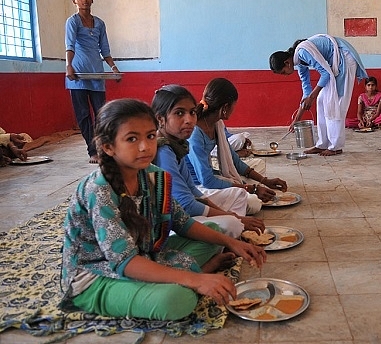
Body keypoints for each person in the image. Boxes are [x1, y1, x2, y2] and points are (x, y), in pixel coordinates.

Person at [60, 98, 266, 321]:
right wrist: (196, 280)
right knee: (176, 301)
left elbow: (183, 222)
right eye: (131, 139)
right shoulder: (98, 189)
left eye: (150, 136)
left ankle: (191, 274)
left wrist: (232, 242)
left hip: (145, 256)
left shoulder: (153, 175)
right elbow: (124, 262)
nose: (145, 146)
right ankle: (199, 273)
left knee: (217, 233)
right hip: (96, 276)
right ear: (108, 147)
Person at [151, 85, 265, 238]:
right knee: (233, 223)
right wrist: (234, 217)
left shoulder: (177, 144)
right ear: (160, 119)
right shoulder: (165, 152)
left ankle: (229, 236)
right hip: (169, 224)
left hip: (187, 205)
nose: (189, 120)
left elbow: (193, 191)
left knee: (234, 215)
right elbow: (187, 202)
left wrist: (227, 214)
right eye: (179, 113)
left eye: (192, 112)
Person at [186, 78, 288, 213]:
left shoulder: (217, 124)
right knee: (253, 203)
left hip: (213, 176)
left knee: (258, 164)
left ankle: (243, 189)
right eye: (234, 105)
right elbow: (207, 181)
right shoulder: (195, 134)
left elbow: (233, 159)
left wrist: (264, 180)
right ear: (225, 108)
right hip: (198, 187)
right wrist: (252, 188)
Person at [269, 34, 368, 156]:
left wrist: (311, 97)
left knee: (336, 103)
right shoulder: (299, 61)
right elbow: (306, 89)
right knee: (321, 100)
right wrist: (296, 119)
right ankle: (323, 144)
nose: (285, 75)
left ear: (287, 63)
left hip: (344, 57)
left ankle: (335, 146)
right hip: (336, 61)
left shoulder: (302, 52)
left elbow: (325, 74)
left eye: (283, 72)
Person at [65, 0, 120, 164]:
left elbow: (105, 49)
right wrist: (69, 66)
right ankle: (92, 151)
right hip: (78, 76)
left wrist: (113, 68)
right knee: (83, 115)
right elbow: (70, 45)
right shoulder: (72, 22)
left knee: (101, 114)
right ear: (74, 0)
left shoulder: (100, 24)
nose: (84, 0)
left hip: (96, 74)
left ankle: (103, 148)